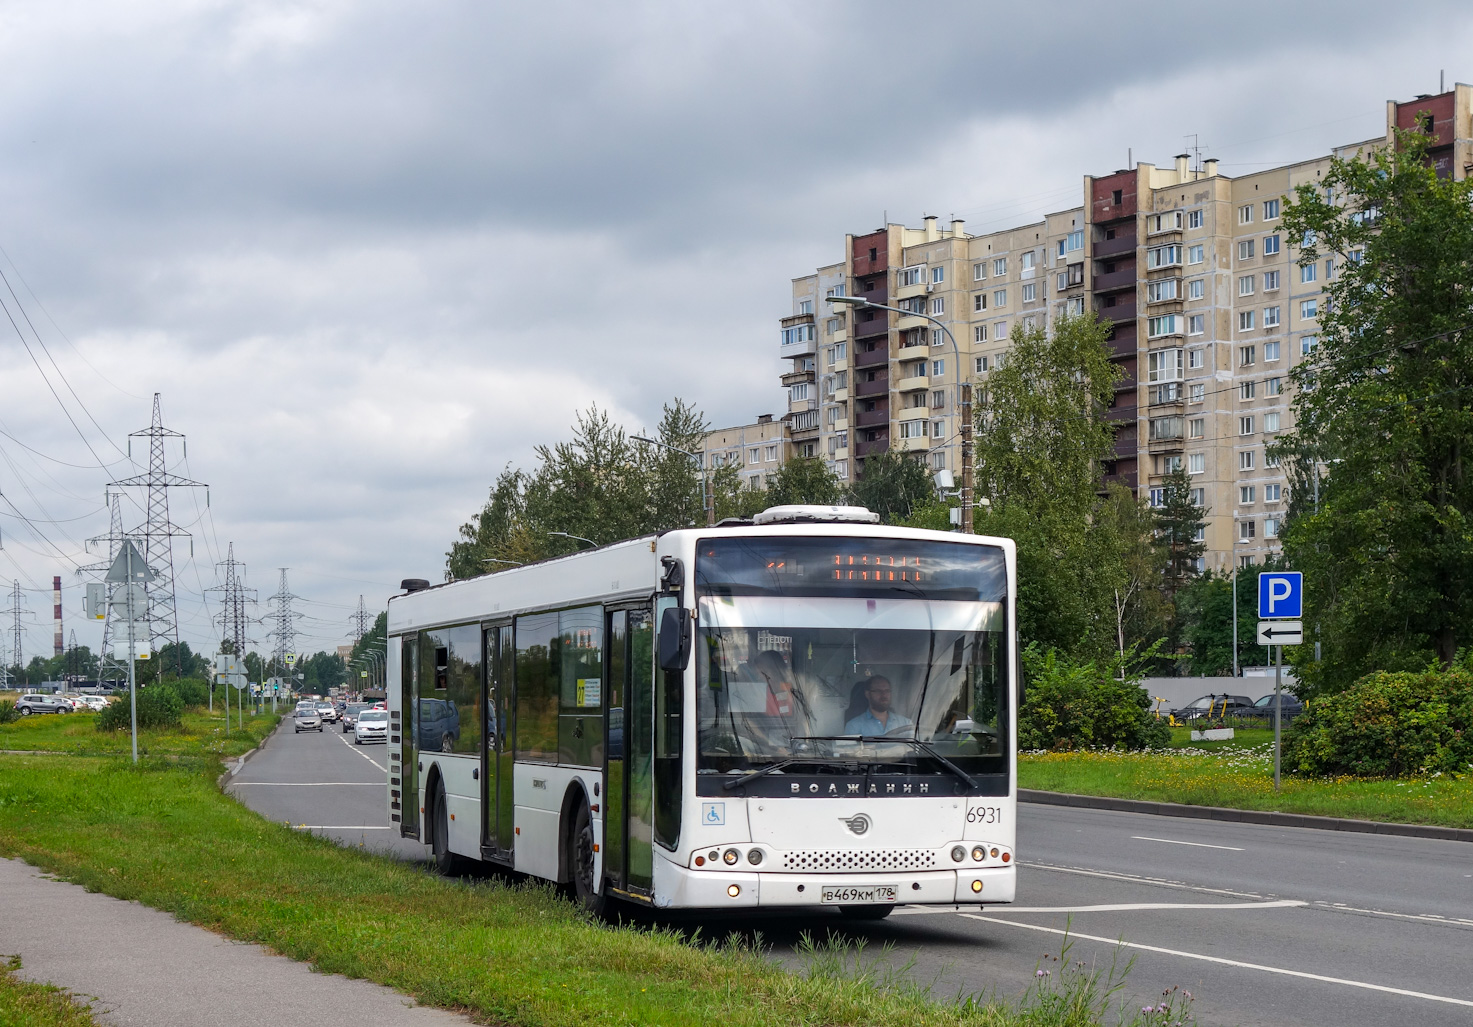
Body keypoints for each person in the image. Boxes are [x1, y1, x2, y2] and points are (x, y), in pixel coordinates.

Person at [844, 675, 913, 736]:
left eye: (887, 691)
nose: (884, 695)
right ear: (867, 694)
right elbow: (850, 750)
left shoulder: (906, 724)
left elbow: (914, 749)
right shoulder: (854, 726)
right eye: (878, 691)